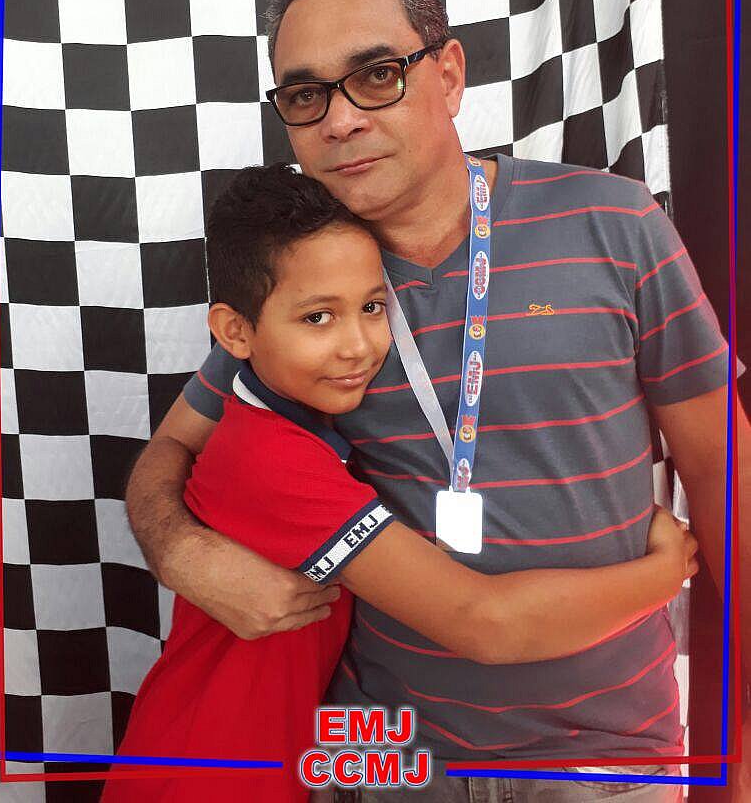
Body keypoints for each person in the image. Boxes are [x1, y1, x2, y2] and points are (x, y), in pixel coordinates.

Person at [125, 0, 750, 802]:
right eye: (306, 95)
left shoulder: (614, 224)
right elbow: (170, 455)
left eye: (377, 74)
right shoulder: (311, 285)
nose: (340, 119)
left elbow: (724, 472)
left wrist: (742, 743)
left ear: (449, 74)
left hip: (607, 757)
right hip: (386, 759)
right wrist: (181, 554)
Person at [103, 164, 696, 803]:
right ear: (234, 333)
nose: (357, 345)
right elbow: (485, 623)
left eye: (373, 307)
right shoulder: (269, 461)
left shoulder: (289, 421)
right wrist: (665, 573)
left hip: (289, 761)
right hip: (206, 776)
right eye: (318, 318)